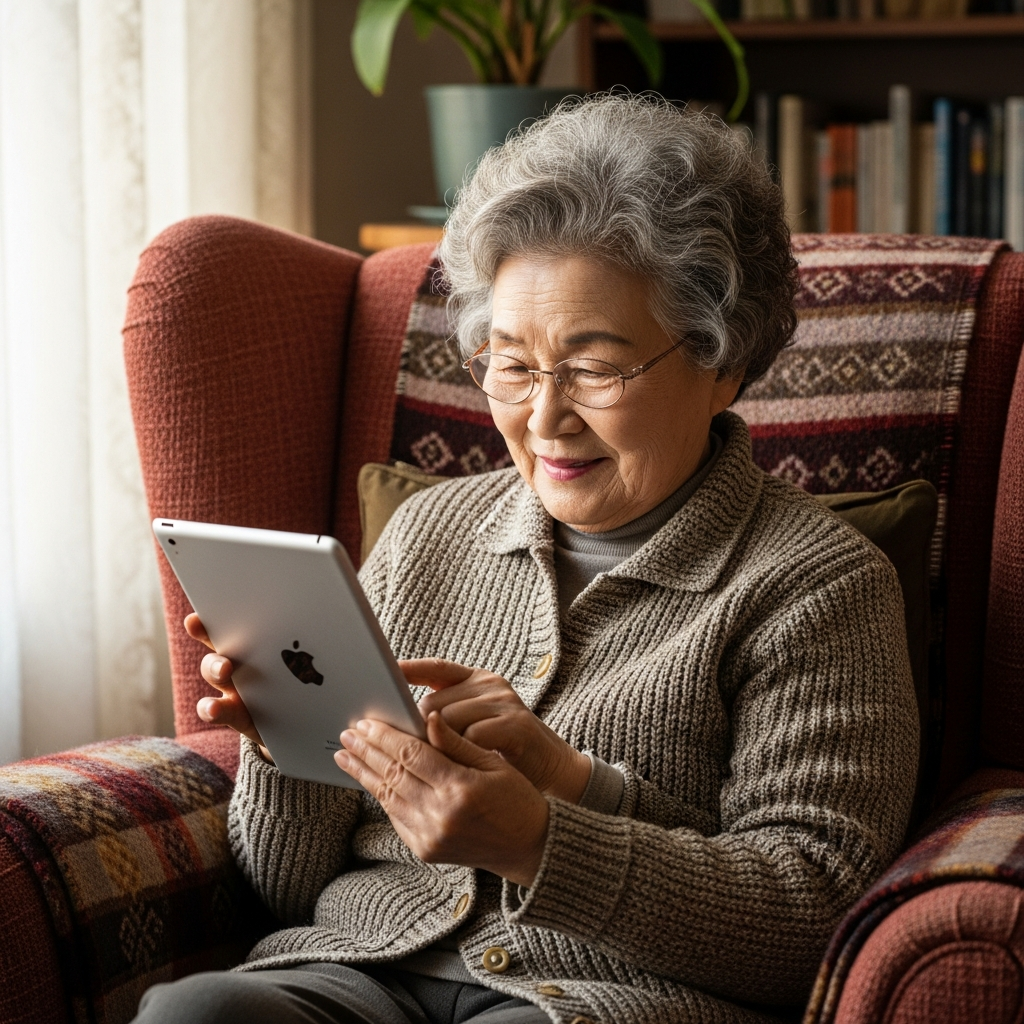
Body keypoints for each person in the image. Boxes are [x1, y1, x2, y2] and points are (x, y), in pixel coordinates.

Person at [133, 93, 918, 1024]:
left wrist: (548, 832)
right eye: (509, 362)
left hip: (601, 1001)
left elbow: (810, 915)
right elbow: (286, 890)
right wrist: (285, 744)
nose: (544, 418)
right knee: (197, 1015)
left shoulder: (818, 587)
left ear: (723, 361)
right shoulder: (428, 535)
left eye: (592, 367)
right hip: (357, 976)